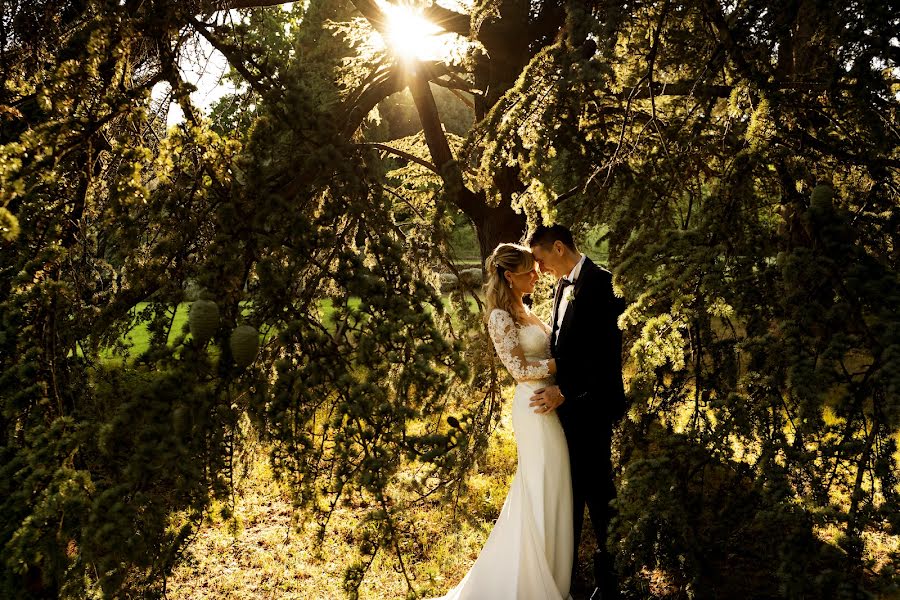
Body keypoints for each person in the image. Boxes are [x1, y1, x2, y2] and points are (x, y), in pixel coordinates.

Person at [429, 242, 573, 600]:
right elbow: (519, 369)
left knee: (553, 484)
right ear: (510, 276)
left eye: (536, 270)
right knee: (539, 483)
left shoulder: (526, 308)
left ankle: (552, 573)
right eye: (529, 272)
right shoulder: (499, 317)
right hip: (534, 407)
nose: (537, 275)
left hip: (551, 403)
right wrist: (564, 366)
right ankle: (530, 580)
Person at [528, 224, 626, 600]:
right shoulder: (563, 284)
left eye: (541, 260)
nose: (541, 269)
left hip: (592, 403)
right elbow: (564, 346)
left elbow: (603, 355)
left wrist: (565, 391)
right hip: (567, 407)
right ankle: (566, 574)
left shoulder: (601, 282)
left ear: (558, 247)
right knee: (571, 490)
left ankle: (611, 578)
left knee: (599, 489)